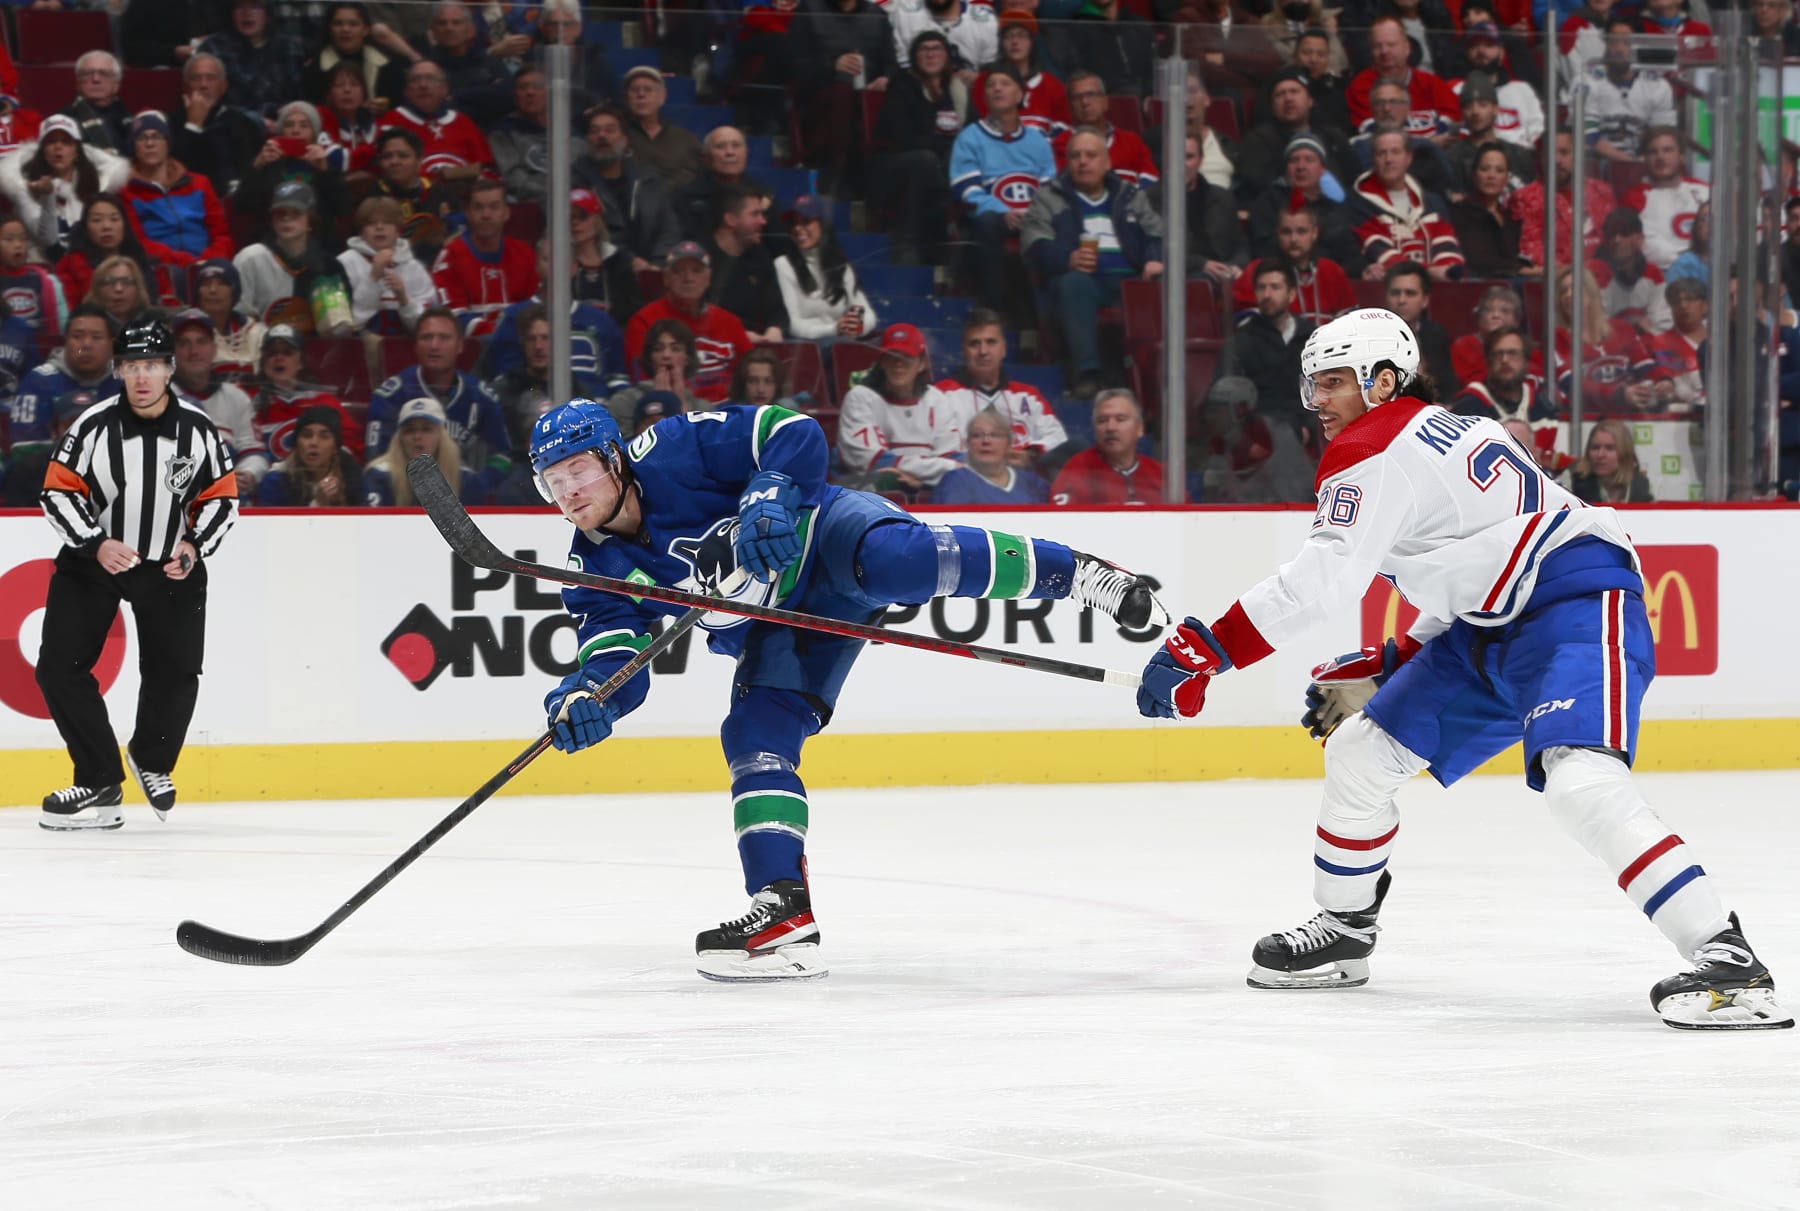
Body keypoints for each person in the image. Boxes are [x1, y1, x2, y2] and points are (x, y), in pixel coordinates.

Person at [1135, 306, 1791, 1032]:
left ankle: (1729, 958)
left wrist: (1207, 647)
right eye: (1311, 384)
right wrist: (1394, 659)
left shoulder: (1373, 446)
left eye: (1332, 382)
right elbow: (1476, 564)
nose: (1316, 400)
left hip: (1572, 604)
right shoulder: (1444, 426)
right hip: (1490, 625)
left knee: (1579, 779)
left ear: (1383, 381)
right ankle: (1346, 929)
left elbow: (1320, 581)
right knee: (1360, 754)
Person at [525, 392, 1166, 980]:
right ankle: (781, 907)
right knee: (754, 734)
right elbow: (615, 656)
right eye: (553, 483)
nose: (569, 493)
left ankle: (1082, 576)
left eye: (578, 471)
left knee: (895, 564)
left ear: (614, 458)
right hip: (776, 623)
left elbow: (792, 430)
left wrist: (771, 492)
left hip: (825, 536)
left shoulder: (674, 448)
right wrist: (589, 698)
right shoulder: (589, 570)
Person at [36, 318, 239, 829]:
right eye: (132, 366)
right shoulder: (91, 426)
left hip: (171, 564)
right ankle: (99, 779)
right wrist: (94, 542)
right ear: (118, 370)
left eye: (152, 365)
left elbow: (221, 498)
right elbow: (58, 491)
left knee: (176, 672)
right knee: (59, 667)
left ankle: (151, 759)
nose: (142, 376)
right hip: (95, 562)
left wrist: (195, 545)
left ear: (170, 369)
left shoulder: (197, 430)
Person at [1021, 128, 1164, 400]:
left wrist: (1154, 257)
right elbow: (1034, 245)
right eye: (1075, 156)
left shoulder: (1129, 195)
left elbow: (1158, 233)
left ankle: (1156, 385)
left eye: (1091, 155)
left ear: (1107, 162)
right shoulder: (1049, 196)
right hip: (1085, 282)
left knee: (1169, 284)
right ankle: (1089, 375)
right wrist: (1067, 259)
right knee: (1074, 282)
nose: (1083, 161)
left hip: (1132, 280)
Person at [949, 67, 1056, 314]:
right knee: (986, 221)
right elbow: (966, 189)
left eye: (1005, 83)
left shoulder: (1038, 140)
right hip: (995, 217)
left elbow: (1050, 188)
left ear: (1019, 95)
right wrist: (1003, 210)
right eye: (991, 85)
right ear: (985, 97)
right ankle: (992, 309)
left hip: (1035, 216)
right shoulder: (970, 137)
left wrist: (1032, 214)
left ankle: (1045, 318)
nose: (997, 88)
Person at [365, 306, 511, 482]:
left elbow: (501, 457)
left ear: (459, 346)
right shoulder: (390, 396)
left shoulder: (482, 398)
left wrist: (477, 486)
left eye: (444, 338)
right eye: (427, 338)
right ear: (416, 346)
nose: (435, 346)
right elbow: (376, 457)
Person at [869, 30, 967, 264]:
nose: (931, 54)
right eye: (924, 49)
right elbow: (903, 137)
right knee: (927, 160)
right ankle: (908, 240)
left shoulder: (957, 89)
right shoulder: (902, 84)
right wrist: (945, 144)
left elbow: (970, 131)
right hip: (897, 163)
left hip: (942, 162)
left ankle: (951, 249)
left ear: (947, 56)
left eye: (937, 49)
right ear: (914, 56)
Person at [836, 323, 969, 492]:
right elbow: (872, 461)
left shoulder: (937, 400)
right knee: (887, 479)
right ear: (882, 362)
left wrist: (919, 479)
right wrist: (936, 469)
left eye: (906, 356)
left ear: (921, 363)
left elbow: (952, 457)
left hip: (929, 487)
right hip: (870, 489)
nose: (898, 363)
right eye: (891, 355)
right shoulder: (860, 397)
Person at [788, 0, 899, 197]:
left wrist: (886, 79)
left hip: (868, 101)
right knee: (842, 95)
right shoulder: (809, 10)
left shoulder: (878, 15)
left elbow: (891, 64)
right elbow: (794, 65)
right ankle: (834, 179)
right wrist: (832, 66)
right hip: (821, 100)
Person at [623, 242, 754, 403]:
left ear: (708, 278)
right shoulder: (644, 320)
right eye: (679, 271)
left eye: (696, 271)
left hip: (728, 410)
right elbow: (641, 380)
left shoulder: (730, 322)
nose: (688, 278)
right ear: (666, 278)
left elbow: (752, 373)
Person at [933, 308, 1068, 464]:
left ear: (1003, 349)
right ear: (964, 351)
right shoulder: (941, 395)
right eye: (974, 344)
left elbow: (1059, 439)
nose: (983, 351)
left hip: (1024, 481)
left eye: (991, 342)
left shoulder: (1028, 396)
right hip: (968, 481)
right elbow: (939, 451)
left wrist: (1030, 454)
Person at [0, 115, 130, 262]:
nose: (58, 147)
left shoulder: (95, 187)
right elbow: (47, 239)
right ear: (42, 150)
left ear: (77, 151)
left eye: (66, 142)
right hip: (41, 268)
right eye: (51, 141)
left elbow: (115, 166)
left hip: (86, 266)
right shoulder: (26, 188)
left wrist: (89, 152)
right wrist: (48, 195)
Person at [8, 306, 122, 470]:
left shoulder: (125, 381)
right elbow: (24, 452)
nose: (86, 344)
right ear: (65, 340)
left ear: (112, 344)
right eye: (77, 336)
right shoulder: (38, 382)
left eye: (96, 337)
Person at [120, 112, 235, 271]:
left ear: (168, 144)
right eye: (142, 138)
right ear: (133, 147)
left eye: (157, 136)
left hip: (209, 265)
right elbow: (138, 242)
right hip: (161, 267)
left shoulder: (199, 183)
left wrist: (210, 260)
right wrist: (187, 263)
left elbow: (221, 235)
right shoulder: (126, 191)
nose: (150, 143)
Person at [575, 104, 682, 272]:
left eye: (610, 130)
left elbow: (668, 227)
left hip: (652, 269)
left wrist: (659, 263)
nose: (601, 136)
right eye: (594, 131)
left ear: (624, 140)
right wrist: (629, 261)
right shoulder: (575, 182)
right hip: (601, 269)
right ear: (587, 139)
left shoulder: (648, 179)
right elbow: (587, 234)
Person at [1349, 130, 1464, 283]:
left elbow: (1447, 244)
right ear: (1373, 159)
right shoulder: (1358, 203)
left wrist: (1448, 270)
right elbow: (1379, 251)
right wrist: (1429, 273)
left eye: (1395, 152)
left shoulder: (1432, 202)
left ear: (1409, 158)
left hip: (1439, 287)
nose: (1389, 159)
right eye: (1381, 153)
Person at [431, 178, 539, 339]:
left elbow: (536, 309)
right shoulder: (450, 257)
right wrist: (500, 333)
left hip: (521, 348)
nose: (486, 215)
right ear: (468, 213)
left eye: (494, 207)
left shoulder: (525, 254)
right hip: (470, 350)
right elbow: (453, 319)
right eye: (478, 208)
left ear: (506, 213)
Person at [168, 308, 261, 494]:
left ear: (214, 349)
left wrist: (248, 474)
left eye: (201, 342)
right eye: (184, 343)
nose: (193, 351)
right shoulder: (157, 399)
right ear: (173, 353)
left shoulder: (236, 397)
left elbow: (253, 452)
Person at [233, 181, 348, 327]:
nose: (286, 218)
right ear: (272, 220)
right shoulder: (250, 258)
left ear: (311, 221)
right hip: (259, 346)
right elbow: (238, 318)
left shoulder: (328, 267)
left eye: (296, 213)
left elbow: (338, 326)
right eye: (280, 213)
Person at [246, 323, 363, 463]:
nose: (278, 358)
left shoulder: (323, 401)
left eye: (287, 352)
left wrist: (332, 469)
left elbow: (352, 444)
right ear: (263, 362)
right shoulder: (248, 401)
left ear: (301, 362)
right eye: (272, 353)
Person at [235, 101, 353, 238]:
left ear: (314, 134)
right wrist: (256, 168)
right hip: (275, 238)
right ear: (281, 132)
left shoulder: (325, 166)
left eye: (304, 125)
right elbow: (242, 206)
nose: (296, 130)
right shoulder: (269, 164)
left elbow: (344, 208)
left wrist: (325, 172)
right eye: (289, 125)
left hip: (318, 241)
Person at [1248, 134, 1364, 274]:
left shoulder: (1336, 208)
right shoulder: (1268, 202)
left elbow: (1351, 257)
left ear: (1322, 170)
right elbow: (1263, 250)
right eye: (1294, 160)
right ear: (1286, 169)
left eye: (1309, 160)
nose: (1301, 167)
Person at [1227, 261, 1316, 436]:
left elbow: (1327, 391)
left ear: (1291, 294)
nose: (1267, 295)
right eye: (1261, 288)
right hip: (1262, 431)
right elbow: (1228, 400)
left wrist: (1309, 428)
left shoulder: (1313, 338)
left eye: (1275, 287)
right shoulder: (1241, 341)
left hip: (1308, 427)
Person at [1554, 265, 1658, 414]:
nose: (1568, 295)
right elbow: (1572, 385)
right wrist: (1619, 394)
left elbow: (1646, 368)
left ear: (1591, 293)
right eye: (1563, 291)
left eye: (1574, 288)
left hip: (1628, 416)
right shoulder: (1557, 337)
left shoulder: (1622, 329)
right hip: (1584, 420)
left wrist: (1663, 382)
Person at [167, 53, 267, 205]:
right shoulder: (169, 123)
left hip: (235, 203)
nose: (203, 85)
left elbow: (251, 172)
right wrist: (193, 125)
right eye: (196, 78)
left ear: (223, 86)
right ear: (185, 86)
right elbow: (173, 172)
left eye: (210, 78)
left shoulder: (243, 124)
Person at [374, 61, 495, 185]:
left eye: (431, 79)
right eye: (415, 79)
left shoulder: (463, 122)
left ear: (445, 89)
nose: (423, 85)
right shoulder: (389, 123)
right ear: (407, 91)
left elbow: (488, 171)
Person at [774, 195, 876, 342]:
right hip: (807, 346)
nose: (797, 228)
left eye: (806, 222)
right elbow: (792, 324)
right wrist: (833, 329)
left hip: (840, 341)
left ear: (823, 225)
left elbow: (867, 313)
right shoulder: (783, 265)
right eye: (793, 223)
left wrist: (855, 325)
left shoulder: (841, 265)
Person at [1510, 129, 1614, 272]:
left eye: (1564, 153)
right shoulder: (1525, 199)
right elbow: (1533, 251)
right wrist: (1574, 272)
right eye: (1550, 154)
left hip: (1604, 278)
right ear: (1541, 159)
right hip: (1557, 283)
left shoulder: (1602, 191)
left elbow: (1614, 242)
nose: (1557, 161)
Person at [1232, 205, 1354, 325]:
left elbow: (1350, 321)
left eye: (1301, 231)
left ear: (1314, 233)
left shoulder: (1332, 271)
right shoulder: (1258, 270)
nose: (1293, 239)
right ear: (1277, 233)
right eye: (1286, 232)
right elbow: (1244, 323)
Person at [1152, 133, 1245, 288]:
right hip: (1182, 276)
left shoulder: (1222, 198)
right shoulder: (1151, 198)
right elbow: (1153, 251)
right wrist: (1200, 264)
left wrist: (1236, 265)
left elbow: (1240, 244)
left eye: (1189, 157)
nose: (1182, 164)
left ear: (1200, 161)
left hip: (1222, 272)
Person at [337, 194, 438, 336]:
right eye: (371, 223)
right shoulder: (345, 263)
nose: (379, 227)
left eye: (387, 222)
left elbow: (428, 329)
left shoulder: (414, 268)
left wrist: (404, 300)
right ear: (362, 231)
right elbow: (349, 324)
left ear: (398, 230)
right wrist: (372, 278)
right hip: (357, 347)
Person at [1346, 16, 1460, 136]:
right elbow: (1372, 134)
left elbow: (1454, 122)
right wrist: (1428, 142)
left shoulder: (1431, 84)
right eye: (1377, 46)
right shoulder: (1361, 86)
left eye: (1391, 44)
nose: (1384, 51)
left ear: (1407, 48)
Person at [490, 66, 586, 208]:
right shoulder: (503, 132)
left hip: (572, 205)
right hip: (528, 207)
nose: (530, 92)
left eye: (538, 87)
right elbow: (513, 179)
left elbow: (582, 172)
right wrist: (551, 196)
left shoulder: (571, 131)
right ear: (515, 96)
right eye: (523, 87)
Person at [1585, 18, 1676, 166]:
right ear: (1605, 44)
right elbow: (1588, 136)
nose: (1620, 49)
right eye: (1613, 41)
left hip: (1645, 166)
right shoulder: (1587, 82)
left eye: (1627, 43)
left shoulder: (1658, 86)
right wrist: (1629, 163)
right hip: (1595, 168)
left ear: (1639, 46)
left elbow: (1662, 136)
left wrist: (1642, 164)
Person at [704, 182, 788, 343]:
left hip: (759, 346)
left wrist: (775, 329)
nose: (763, 221)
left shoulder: (761, 256)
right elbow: (696, 316)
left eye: (762, 215)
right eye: (755, 214)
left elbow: (778, 311)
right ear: (731, 219)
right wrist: (737, 334)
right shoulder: (702, 259)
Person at [199, 0, 307, 124]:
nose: (247, 14)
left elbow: (299, 98)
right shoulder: (213, 48)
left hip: (282, 127)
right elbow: (205, 101)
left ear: (267, 14)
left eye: (255, 7)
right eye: (240, 7)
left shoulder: (289, 48)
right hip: (229, 127)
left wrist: (286, 117)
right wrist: (256, 121)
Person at [1049, 388, 1164, 504]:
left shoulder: (1159, 474)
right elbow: (1060, 520)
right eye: (1102, 420)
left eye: (1120, 419)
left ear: (1139, 428)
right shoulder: (1077, 470)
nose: (1110, 427)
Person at [363, 395, 483, 506]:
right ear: (399, 438)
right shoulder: (379, 476)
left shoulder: (465, 478)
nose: (417, 436)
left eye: (426, 429)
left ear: (441, 436)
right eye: (409, 431)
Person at [54, 193, 166, 311]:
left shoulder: (142, 259)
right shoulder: (70, 265)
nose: (106, 226)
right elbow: (69, 312)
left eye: (114, 219)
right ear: (85, 227)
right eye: (97, 220)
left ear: (125, 224)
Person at [1621, 127, 1709, 273]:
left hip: (1708, 271)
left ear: (1682, 156)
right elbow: (1645, 246)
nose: (1660, 157)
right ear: (1644, 159)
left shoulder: (1705, 191)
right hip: (1663, 275)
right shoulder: (1635, 197)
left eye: (1667, 150)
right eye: (1652, 152)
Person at [1051, 71, 1158, 188]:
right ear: (1071, 106)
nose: (1085, 102)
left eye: (1091, 94)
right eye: (1077, 97)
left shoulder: (1132, 142)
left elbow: (1150, 181)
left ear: (1105, 101)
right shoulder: (1061, 143)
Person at [971, 9, 1066, 140]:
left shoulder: (1052, 85)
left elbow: (1063, 134)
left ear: (1031, 42)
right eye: (1009, 36)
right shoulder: (985, 82)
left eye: (1021, 35)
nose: (1015, 42)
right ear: (1001, 43)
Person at [368, 127, 457, 263]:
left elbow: (458, 234)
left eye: (403, 156)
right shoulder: (372, 198)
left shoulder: (440, 192)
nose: (394, 161)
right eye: (387, 156)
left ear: (419, 160)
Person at [301, 2, 410, 111]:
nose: (345, 29)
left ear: (366, 29)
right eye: (338, 24)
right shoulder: (315, 69)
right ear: (330, 29)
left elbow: (400, 107)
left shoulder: (387, 67)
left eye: (353, 24)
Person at [933, 405, 1052, 503]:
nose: (986, 441)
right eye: (977, 435)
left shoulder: (1032, 483)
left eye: (995, 435)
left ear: (1009, 444)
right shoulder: (955, 481)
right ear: (968, 443)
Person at [607, 317, 709, 429]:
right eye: (658, 349)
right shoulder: (625, 402)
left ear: (687, 358)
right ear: (649, 357)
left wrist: (680, 406)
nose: (666, 355)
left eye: (675, 349)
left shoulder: (703, 408)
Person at [255, 402, 364, 506]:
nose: (314, 443)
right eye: (307, 435)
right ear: (296, 444)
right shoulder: (276, 481)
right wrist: (319, 503)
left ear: (336, 447)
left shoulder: (351, 477)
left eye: (324, 436)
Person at [621, 66, 704, 194]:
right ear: (626, 98)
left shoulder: (686, 139)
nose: (641, 94)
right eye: (635, 90)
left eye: (648, 90)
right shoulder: (616, 136)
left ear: (662, 97)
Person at [1448, 144, 1525, 280]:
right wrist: (1521, 269)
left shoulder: (1511, 216)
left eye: (1499, 170)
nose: (1491, 176)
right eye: (1484, 169)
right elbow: (1478, 261)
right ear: (1473, 174)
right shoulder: (1459, 213)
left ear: (1507, 178)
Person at [1591, 207, 1670, 337]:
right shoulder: (1594, 273)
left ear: (1640, 239)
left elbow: (1661, 325)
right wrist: (1635, 329)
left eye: (1624, 233)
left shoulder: (1653, 273)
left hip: (1646, 348)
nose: (1617, 240)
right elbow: (1598, 330)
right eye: (1611, 234)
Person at [1451, 325, 1554, 424]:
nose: (1505, 360)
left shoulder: (1542, 407)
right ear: (1488, 361)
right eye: (1498, 354)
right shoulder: (1467, 408)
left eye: (1512, 353)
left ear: (1526, 360)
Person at [1384, 260, 1457, 393]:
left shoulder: (1436, 335)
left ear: (1425, 300)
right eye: (1395, 293)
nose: (1401, 300)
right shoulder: (1373, 334)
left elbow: (1448, 387)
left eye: (1410, 293)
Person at [191, 258, 265, 381]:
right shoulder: (185, 335)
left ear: (235, 291)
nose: (213, 290)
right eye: (205, 284)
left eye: (222, 283)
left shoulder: (256, 333)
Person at [0, 215, 69, 338]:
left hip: (39, 346)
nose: (18, 245)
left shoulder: (41, 278)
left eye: (22, 239)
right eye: (9, 239)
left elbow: (54, 325)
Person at [1449, 284, 1525, 387]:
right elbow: (1473, 384)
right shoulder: (1464, 346)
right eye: (1488, 310)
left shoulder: (1526, 347)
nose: (1496, 315)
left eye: (1504, 311)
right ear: (1479, 317)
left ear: (1517, 320)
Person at [1562, 417, 1653, 502]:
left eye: (1610, 448)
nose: (1600, 455)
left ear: (1625, 452)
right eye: (1595, 448)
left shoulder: (1642, 487)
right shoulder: (1571, 482)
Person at [890, 0, 998, 71]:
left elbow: (989, 74)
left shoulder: (985, 22)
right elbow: (904, 68)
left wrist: (976, 78)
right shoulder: (906, 14)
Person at [1649, 277, 1706, 411]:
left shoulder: (1720, 339)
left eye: (1690, 299)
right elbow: (1671, 387)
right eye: (1676, 301)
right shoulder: (1660, 343)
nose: (1683, 305)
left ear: (1705, 305)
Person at [59, 51, 132, 154]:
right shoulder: (63, 120)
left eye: (104, 74)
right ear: (77, 82)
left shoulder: (130, 121)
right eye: (87, 74)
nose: (96, 79)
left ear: (117, 84)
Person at [83, 255, 162, 336]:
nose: (119, 289)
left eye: (127, 281)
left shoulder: (156, 323)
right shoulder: (83, 325)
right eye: (109, 282)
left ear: (138, 287)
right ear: (97, 288)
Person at [728, 348, 799, 409]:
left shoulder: (786, 409)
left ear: (778, 385)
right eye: (753, 381)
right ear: (742, 383)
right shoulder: (729, 413)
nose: (760, 390)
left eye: (768, 381)